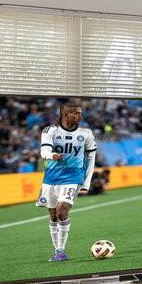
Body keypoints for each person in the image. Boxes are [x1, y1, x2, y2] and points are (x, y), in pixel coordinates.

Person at [36, 102, 99, 262]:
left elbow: (91, 158)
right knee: (53, 216)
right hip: (51, 178)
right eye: (76, 113)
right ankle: (57, 250)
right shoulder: (50, 131)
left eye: (80, 113)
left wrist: (86, 183)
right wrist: (52, 156)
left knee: (62, 211)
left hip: (73, 177)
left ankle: (61, 250)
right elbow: (44, 151)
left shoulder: (86, 133)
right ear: (65, 115)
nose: (80, 116)